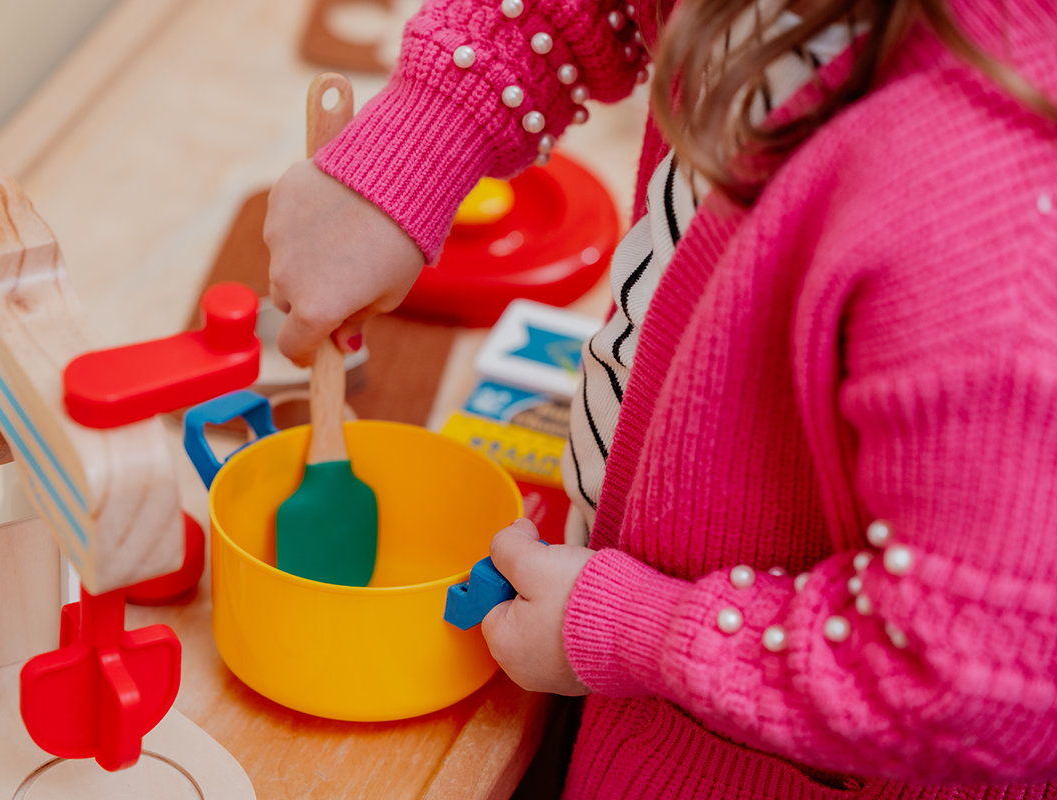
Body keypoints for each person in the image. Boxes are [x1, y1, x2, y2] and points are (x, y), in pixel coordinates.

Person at [264, 0, 1057, 796]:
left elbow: (964, 680)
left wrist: (636, 632)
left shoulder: (989, 199)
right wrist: (421, 141)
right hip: (610, 652)